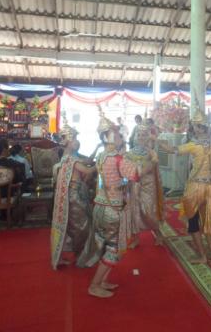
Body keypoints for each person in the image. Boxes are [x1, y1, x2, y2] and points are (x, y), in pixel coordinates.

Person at [85, 110, 138, 299]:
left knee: (107, 246)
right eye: (116, 133)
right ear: (107, 137)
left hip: (101, 205)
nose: (120, 135)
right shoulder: (118, 158)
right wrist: (150, 162)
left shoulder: (101, 156)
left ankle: (102, 281)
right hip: (113, 209)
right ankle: (94, 285)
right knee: (113, 249)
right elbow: (135, 174)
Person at [159, 110, 211, 264]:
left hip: (196, 186)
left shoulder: (193, 145)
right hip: (210, 186)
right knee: (207, 221)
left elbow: (171, 150)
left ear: (198, 128)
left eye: (194, 126)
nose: (193, 129)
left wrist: (157, 139)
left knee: (192, 221)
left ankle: (202, 256)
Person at [50, 122, 97, 270]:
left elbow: (87, 162)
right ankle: (81, 256)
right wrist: (101, 162)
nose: (77, 141)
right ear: (68, 142)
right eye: (75, 138)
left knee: (78, 225)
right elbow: (88, 170)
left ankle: (80, 253)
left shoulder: (68, 156)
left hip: (74, 194)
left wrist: (97, 150)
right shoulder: (71, 159)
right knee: (81, 227)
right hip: (74, 196)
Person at [121, 118, 164, 247]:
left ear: (147, 137)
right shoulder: (129, 153)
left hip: (148, 185)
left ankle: (158, 233)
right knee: (134, 211)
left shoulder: (152, 153)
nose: (141, 137)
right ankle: (135, 238)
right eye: (138, 135)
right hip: (134, 185)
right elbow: (125, 168)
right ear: (135, 136)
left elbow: (153, 165)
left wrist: (142, 169)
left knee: (148, 211)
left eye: (144, 135)